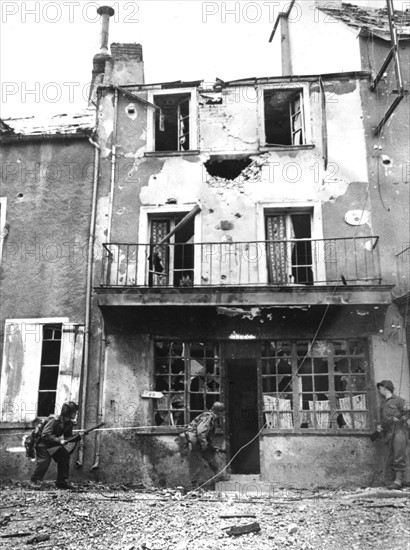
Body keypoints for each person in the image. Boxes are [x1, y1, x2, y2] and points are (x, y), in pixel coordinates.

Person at [30, 401, 80, 490]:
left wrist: (78, 436)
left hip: (52, 443)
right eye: (74, 412)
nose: (75, 414)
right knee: (44, 461)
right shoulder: (54, 420)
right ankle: (35, 481)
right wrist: (59, 441)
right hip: (41, 442)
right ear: (68, 412)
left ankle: (62, 482)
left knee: (64, 456)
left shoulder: (69, 423)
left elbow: (68, 437)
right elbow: (45, 434)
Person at [375, 380, 408, 489]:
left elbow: (407, 413)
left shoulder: (399, 400)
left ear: (385, 388)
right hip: (387, 433)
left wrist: (401, 419)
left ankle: (398, 481)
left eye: (380, 388)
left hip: (399, 431)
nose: (379, 391)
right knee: (389, 456)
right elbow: (381, 418)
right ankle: (389, 481)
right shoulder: (383, 403)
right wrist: (379, 426)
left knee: (399, 454)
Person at [184, 401, 225, 488]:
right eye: (222, 413)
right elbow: (200, 431)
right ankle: (194, 486)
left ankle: (219, 477)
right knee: (195, 463)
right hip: (196, 442)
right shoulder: (208, 416)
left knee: (211, 458)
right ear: (219, 412)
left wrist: (211, 446)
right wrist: (204, 444)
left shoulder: (211, 418)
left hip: (200, 442)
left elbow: (207, 434)